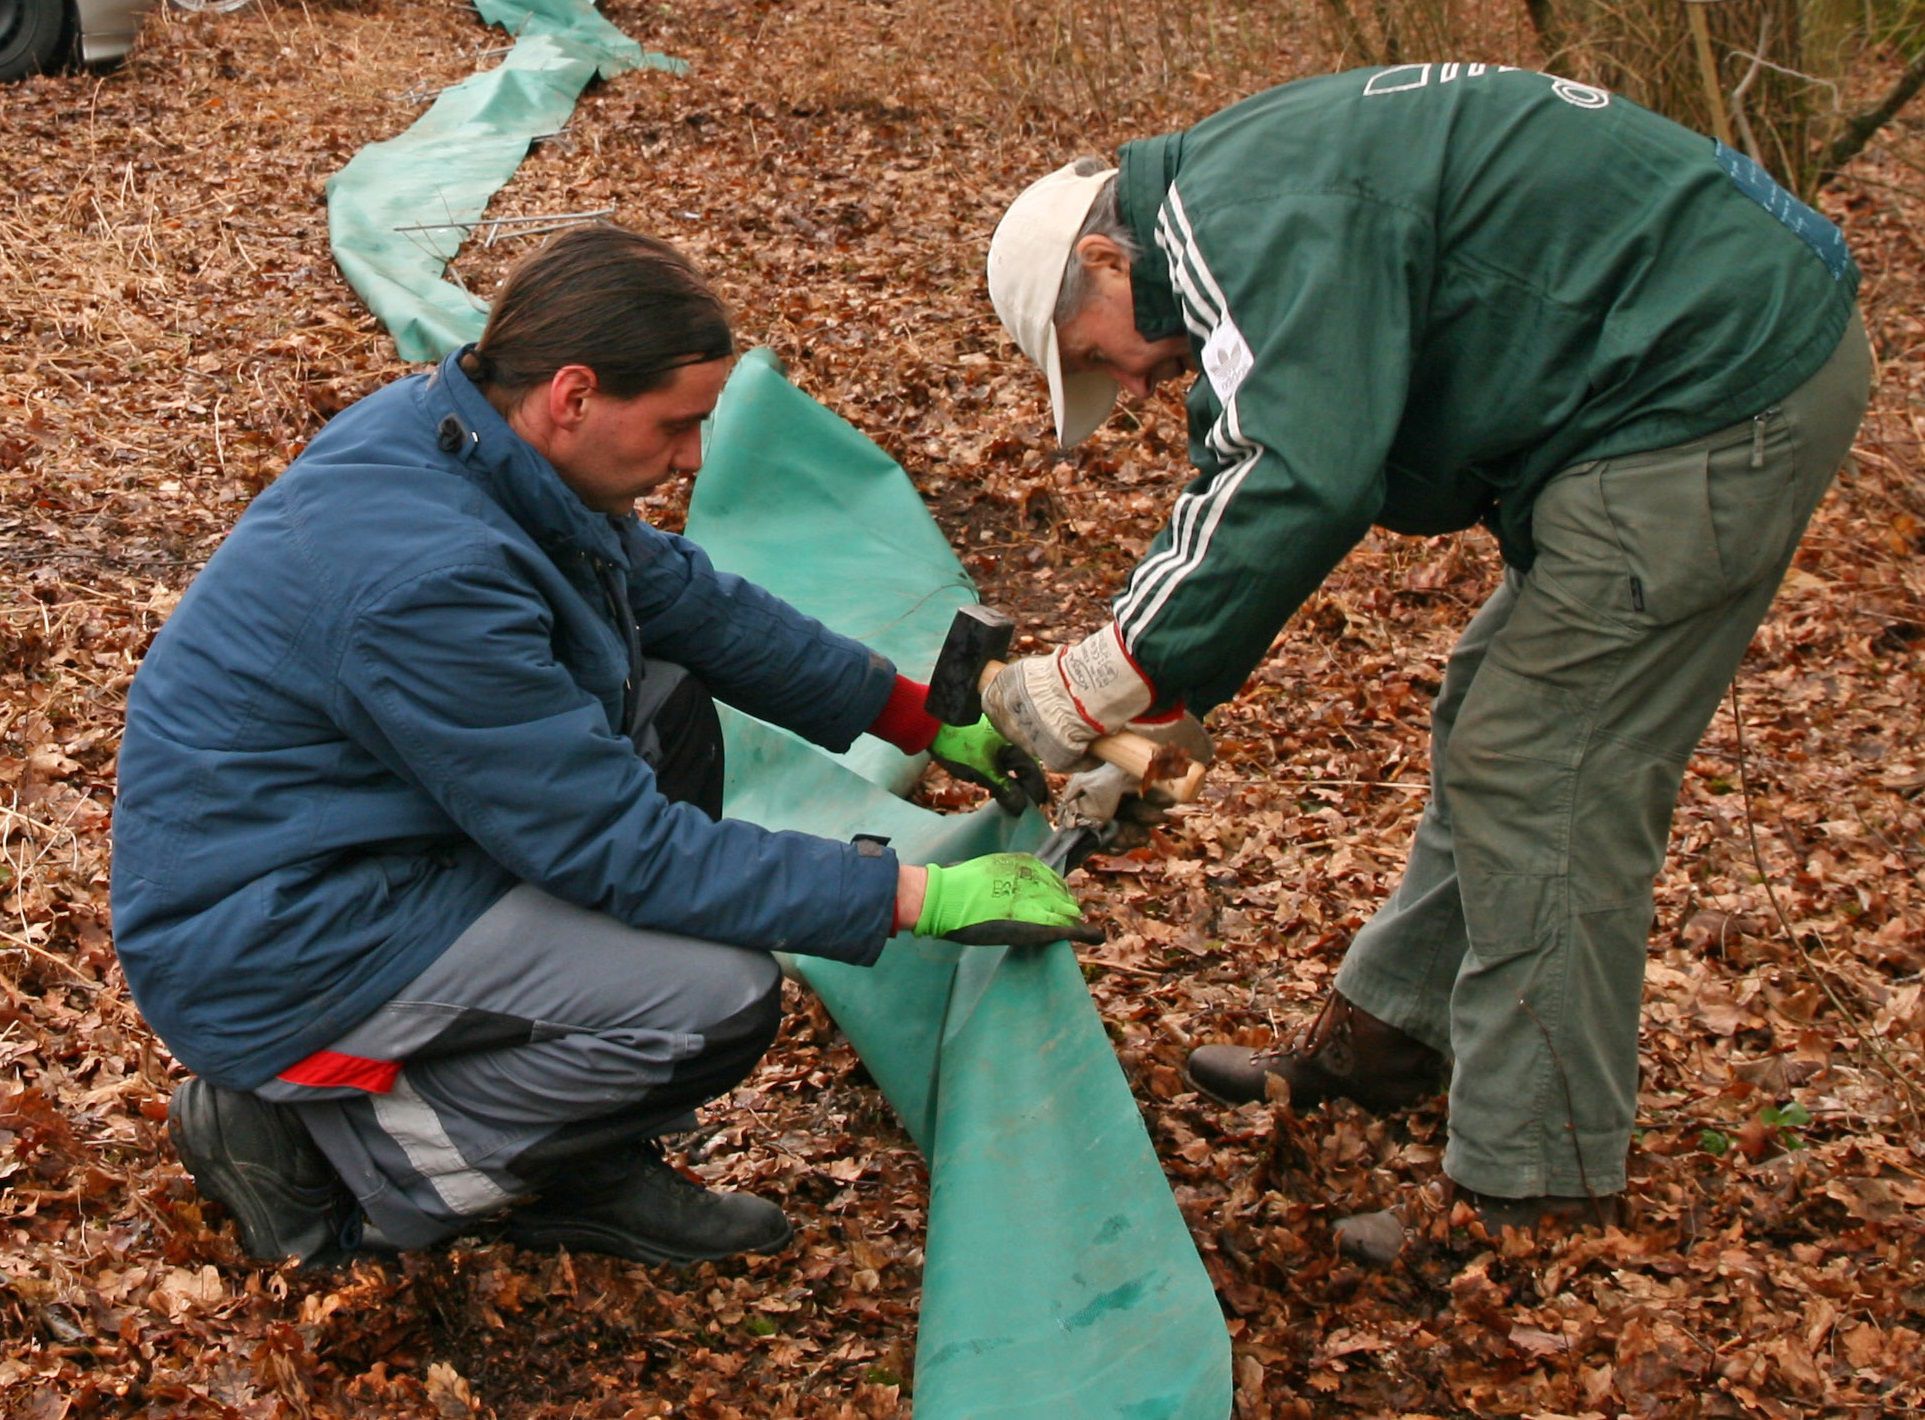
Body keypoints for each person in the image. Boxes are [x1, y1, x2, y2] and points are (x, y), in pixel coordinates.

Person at [981, 64, 1870, 1252]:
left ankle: (1534, 1189)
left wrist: (1088, 678)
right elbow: (1269, 454)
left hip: (1706, 383)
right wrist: (1169, 691)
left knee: (1540, 760)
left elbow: (1295, 473)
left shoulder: (1227, 217)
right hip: (1686, 361)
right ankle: (1395, 1031)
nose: (1131, 385)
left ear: (1101, 260)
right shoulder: (1250, 195)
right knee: (1488, 713)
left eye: (1096, 358)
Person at [113, 224, 1098, 1268]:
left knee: (666, 701)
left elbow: (681, 598)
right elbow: (615, 847)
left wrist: (915, 714)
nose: (695, 457)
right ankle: (343, 1155)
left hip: (360, 844)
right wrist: (906, 895)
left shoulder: (473, 440)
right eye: (677, 424)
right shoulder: (428, 579)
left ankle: (578, 1155)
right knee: (710, 1002)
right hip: (276, 936)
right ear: (574, 395)